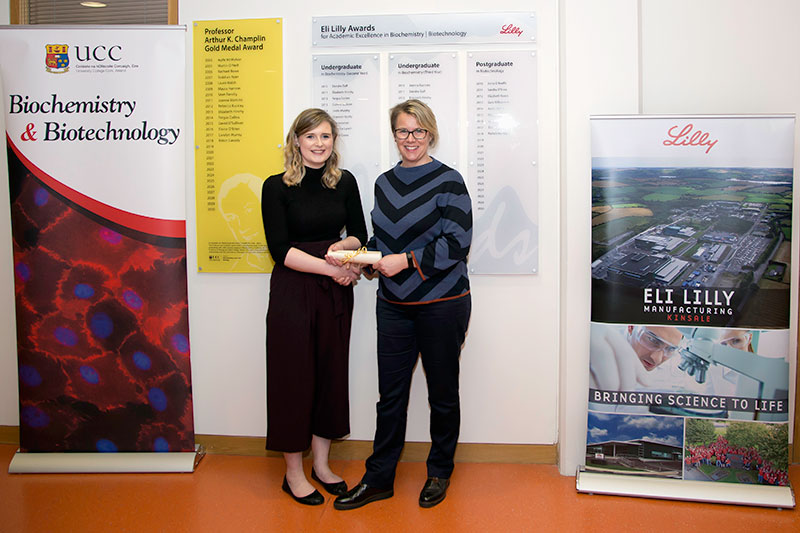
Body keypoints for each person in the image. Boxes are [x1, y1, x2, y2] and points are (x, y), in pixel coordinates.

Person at [334, 99, 472, 510]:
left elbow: (457, 244)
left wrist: (407, 261)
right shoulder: (384, 182)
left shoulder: (450, 181)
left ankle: (439, 471)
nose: (410, 139)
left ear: (430, 134)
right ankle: (379, 478)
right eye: (402, 131)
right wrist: (362, 258)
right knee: (389, 396)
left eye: (418, 131)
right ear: (393, 134)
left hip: (443, 303)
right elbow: (384, 243)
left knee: (442, 394)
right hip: (393, 305)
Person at [261, 108, 367, 506]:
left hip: (335, 290)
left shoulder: (345, 182)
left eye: (326, 137)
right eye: (311, 137)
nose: (319, 144)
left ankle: (321, 466)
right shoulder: (276, 186)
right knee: (293, 379)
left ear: (333, 142)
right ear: (296, 141)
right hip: (294, 289)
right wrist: (331, 268)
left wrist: (345, 249)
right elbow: (279, 250)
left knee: (329, 375)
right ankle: (293, 473)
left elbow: (360, 232)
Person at [590, 324, 684, 392]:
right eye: (652, 340)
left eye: (670, 349)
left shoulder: (670, 377)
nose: (657, 359)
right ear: (631, 327)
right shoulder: (600, 339)